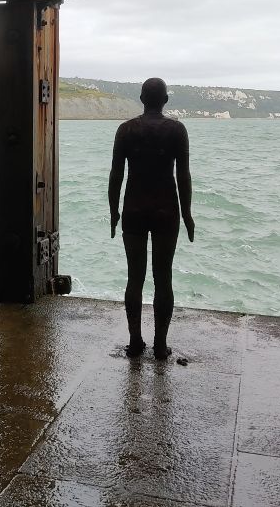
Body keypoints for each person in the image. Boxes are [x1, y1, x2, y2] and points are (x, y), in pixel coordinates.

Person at [108, 78, 194, 359]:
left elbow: (116, 175)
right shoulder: (177, 130)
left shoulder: (126, 130)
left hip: (133, 209)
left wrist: (113, 211)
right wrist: (187, 213)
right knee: (163, 278)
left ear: (141, 98)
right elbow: (183, 176)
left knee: (135, 277)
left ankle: (135, 342)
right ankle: (160, 345)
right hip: (166, 210)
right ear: (166, 100)